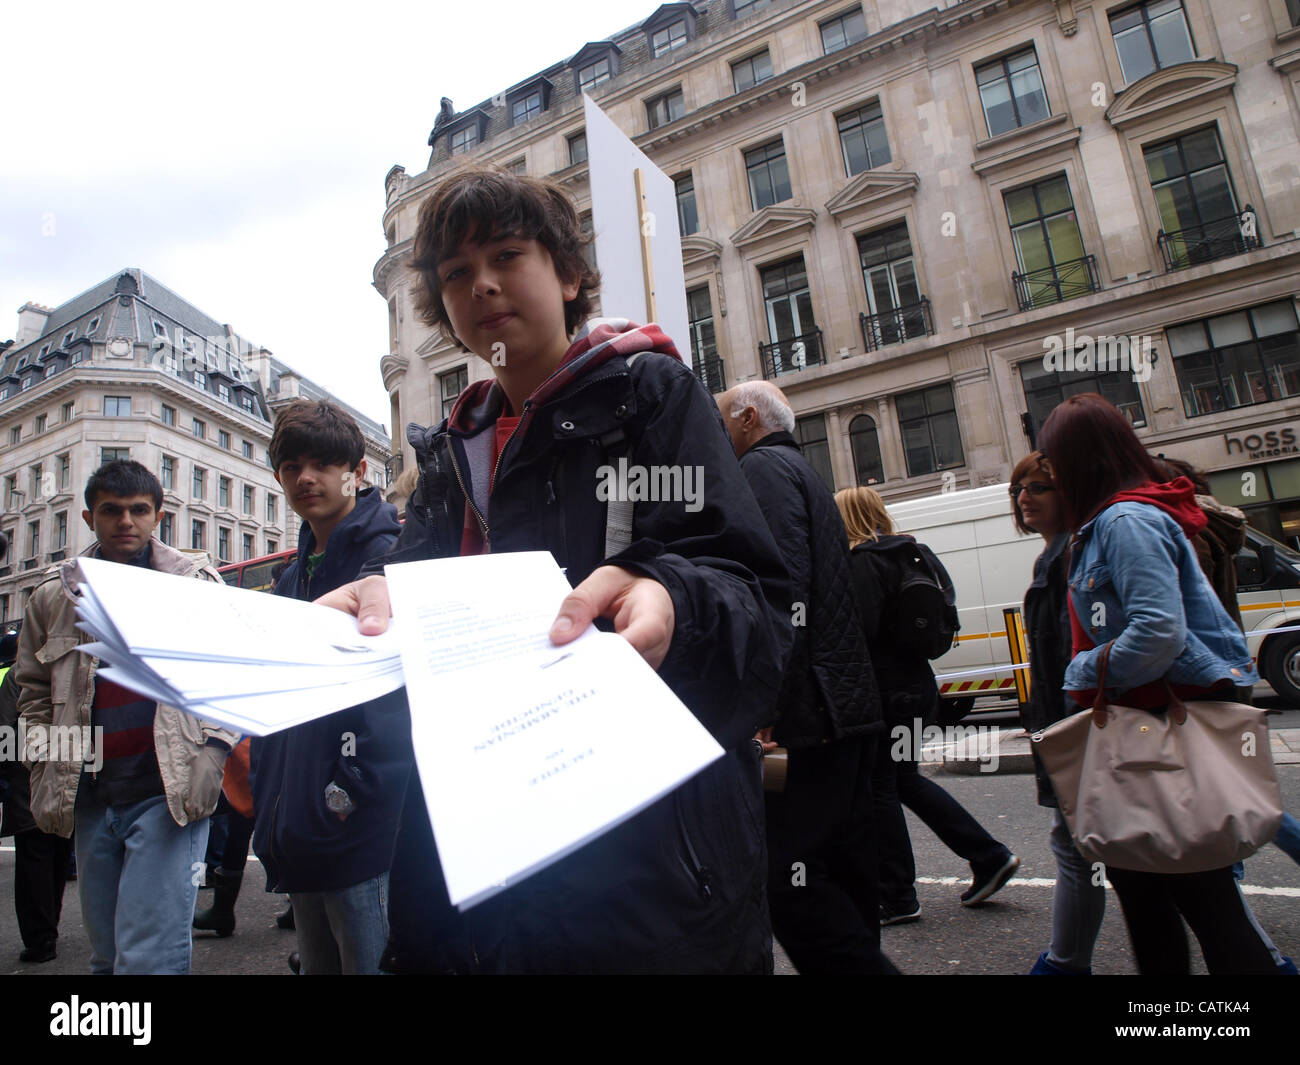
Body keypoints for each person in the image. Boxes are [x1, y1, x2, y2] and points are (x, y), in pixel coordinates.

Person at [319, 166, 793, 974]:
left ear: (570, 273)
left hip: (650, 875)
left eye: (507, 254)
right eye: (457, 273)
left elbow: (756, 601)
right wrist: (378, 607)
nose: (484, 285)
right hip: (471, 868)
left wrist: (674, 596)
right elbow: (416, 630)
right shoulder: (448, 457)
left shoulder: (651, 394)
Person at [1037, 393, 1278, 975]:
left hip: (1156, 733)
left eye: (1052, 461)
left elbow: (1158, 631)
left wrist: (1081, 673)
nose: (1048, 476)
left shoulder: (1126, 521)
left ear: (1080, 460)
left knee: (1204, 906)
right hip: (1140, 734)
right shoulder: (1110, 522)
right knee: (1150, 905)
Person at [15, 460, 238, 974]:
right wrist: (44, 761)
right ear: (90, 518)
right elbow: (31, 688)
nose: (125, 522)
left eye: (139, 510)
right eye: (111, 511)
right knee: (107, 956)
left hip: (166, 792)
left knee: (149, 959)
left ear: (158, 515)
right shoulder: (54, 595)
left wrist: (214, 751)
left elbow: (231, 675)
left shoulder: (194, 584)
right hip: (89, 797)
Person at [718, 380, 893, 975]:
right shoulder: (805, 471)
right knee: (844, 873)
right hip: (842, 707)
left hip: (808, 714)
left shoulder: (763, 470)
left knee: (788, 882)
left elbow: (781, 590)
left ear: (746, 418)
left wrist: (766, 707)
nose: (718, 433)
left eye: (722, 419)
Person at [250, 400, 412, 975]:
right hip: (297, 816)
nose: (306, 479)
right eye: (292, 467)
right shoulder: (293, 575)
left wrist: (354, 789)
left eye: (322, 463)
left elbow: (396, 701)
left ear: (359, 471)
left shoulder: (391, 555)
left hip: (358, 820)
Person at [835, 486, 1019, 924]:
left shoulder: (863, 561)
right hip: (918, 686)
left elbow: (858, 632)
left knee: (884, 784)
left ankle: (898, 895)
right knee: (903, 780)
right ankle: (988, 856)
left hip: (885, 692)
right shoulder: (912, 553)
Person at [1010, 452, 1105, 975]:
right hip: (1066, 729)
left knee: (1076, 848)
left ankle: (1064, 965)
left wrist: (1071, 730)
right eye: (1019, 489)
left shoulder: (1075, 556)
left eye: (1039, 487)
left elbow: (1081, 654)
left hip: (1083, 731)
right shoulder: (1054, 556)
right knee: (1074, 847)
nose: (1025, 497)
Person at [1, 630, 75, 963]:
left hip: (29, 776)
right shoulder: (71, 667)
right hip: (62, 776)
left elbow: (5, 730)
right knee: (57, 854)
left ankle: (41, 937)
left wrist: (6, 772)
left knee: (35, 858)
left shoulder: (19, 675)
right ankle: (48, 929)